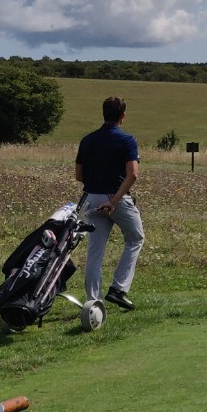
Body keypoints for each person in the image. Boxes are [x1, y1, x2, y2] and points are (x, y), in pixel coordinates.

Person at [75, 95, 145, 311]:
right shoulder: (127, 140)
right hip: (117, 198)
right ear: (123, 116)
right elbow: (132, 174)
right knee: (135, 238)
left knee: (95, 252)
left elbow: (79, 175)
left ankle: (93, 303)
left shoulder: (87, 140)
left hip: (91, 198)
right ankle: (118, 288)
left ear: (103, 113)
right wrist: (114, 201)